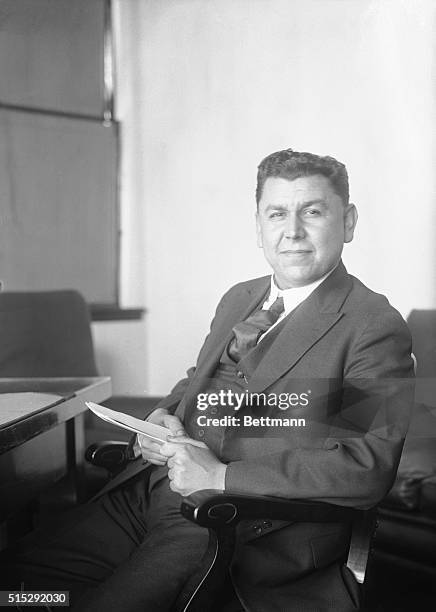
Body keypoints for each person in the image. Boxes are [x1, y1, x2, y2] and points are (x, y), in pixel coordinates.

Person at [2, 149, 414, 612]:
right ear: (259, 226)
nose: (293, 231)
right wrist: (161, 421)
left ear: (349, 222)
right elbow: (197, 381)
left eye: (313, 212)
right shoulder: (240, 297)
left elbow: (367, 465)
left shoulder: (372, 325)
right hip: (149, 489)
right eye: (277, 213)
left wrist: (220, 475)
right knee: (20, 590)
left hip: (238, 522)